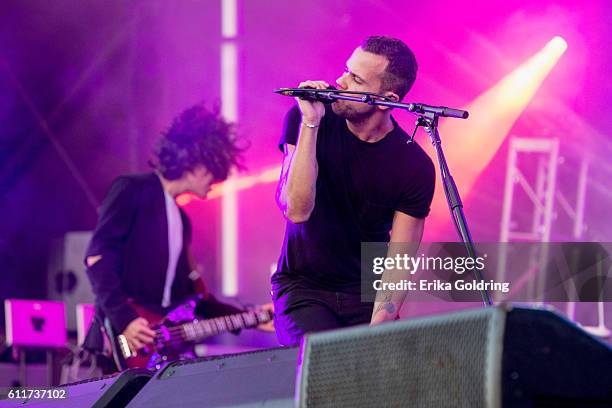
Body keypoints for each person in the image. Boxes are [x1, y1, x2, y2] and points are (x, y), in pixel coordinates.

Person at [272, 36, 436, 346]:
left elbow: (398, 262)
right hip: (303, 288)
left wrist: (377, 338)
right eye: (346, 70)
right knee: (324, 368)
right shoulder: (305, 119)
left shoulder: (413, 165)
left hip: (365, 294)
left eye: (356, 79)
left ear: (386, 97)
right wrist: (311, 122)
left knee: (387, 381)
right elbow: (296, 209)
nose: (340, 82)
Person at [83, 103, 259, 368]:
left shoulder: (182, 220)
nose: (215, 182)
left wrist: (252, 316)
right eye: (214, 172)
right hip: (121, 341)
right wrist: (125, 319)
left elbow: (190, 298)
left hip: (161, 347)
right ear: (199, 165)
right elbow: (97, 259)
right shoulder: (132, 189)